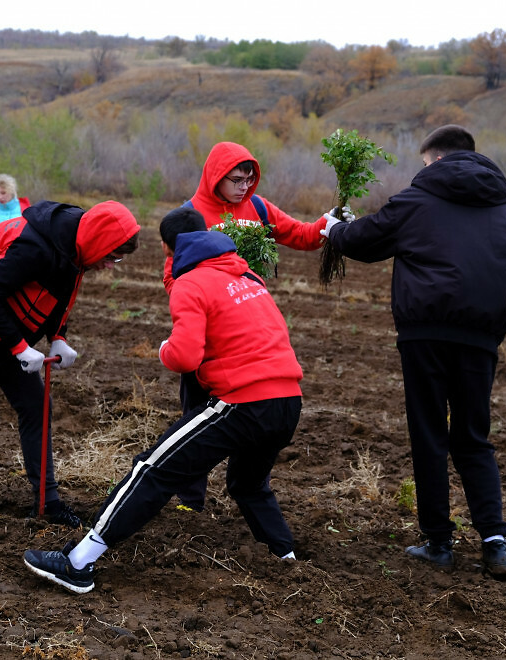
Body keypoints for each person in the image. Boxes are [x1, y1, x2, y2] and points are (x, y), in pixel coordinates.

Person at [23, 206, 303, 593]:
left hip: (242, 402)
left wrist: (164, 349)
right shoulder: (248, 275)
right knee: (249, 483)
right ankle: (286, 560)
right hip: (288, 400)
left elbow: (185, 356)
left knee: (152, 469)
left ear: (168, 249)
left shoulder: (194, 281)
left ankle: (77, 563)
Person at [322, 125, 506, 574]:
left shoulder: (417, 199)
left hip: (424, 333)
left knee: (429, 435)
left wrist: (335, 228)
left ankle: (439, 542)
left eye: (425, 164)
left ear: (437, 159)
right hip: (480, 339)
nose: (422, 170)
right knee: (472, 437)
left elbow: (366, 240)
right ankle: (495, 542)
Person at [0, 200, 140, 524]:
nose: (111, 265)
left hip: (2, 320)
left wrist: (59, 336)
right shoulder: (34, 247)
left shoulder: (76, 245)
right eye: (112, 256)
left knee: (37, 405)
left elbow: (63, 293)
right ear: (99, 241)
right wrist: (18, 347)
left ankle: (48, 502)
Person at [165, 141, 333, 512]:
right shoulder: (190, 216)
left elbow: (301, 235)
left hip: (249, 332)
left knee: (255, 417)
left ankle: (252, 495)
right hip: (208, 336)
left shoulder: (258, 208)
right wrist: (199, 301)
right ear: (215, 177)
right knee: (195, 416)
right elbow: (172, 276)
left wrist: (329, 223)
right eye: (236, 180)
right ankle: (190, 502)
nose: (244, 186)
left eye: (249, 179)